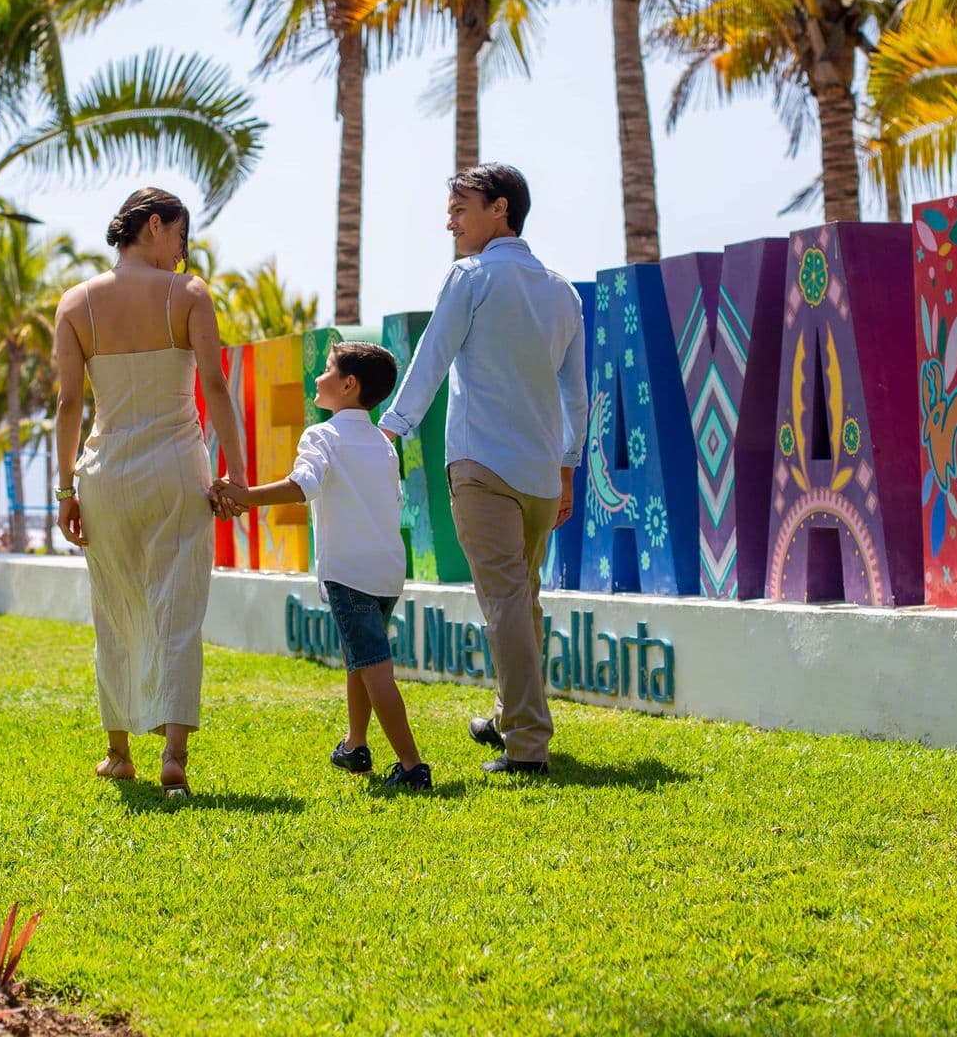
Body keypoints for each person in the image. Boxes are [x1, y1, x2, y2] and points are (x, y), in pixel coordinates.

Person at [377, 163, 587, 776]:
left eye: (460, 207)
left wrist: (391, 429)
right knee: (523, 601)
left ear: (500, 209)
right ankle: (505, 717)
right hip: (543, 474)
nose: (450, 219)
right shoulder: (562, 291)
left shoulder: (469, 277)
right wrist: (569, 468)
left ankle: (526, 744)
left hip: (481, 466)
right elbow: (576, 394)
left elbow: (431, 358)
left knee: (505, 604)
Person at [53, 188, 246, 797]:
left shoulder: (75, 303)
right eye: (181, 241)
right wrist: (235, 474)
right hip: (176, 468)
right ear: (157, 227)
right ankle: (174, 755)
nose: (182, 257)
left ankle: (118, 752)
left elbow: (68, 405)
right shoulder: (187, 296)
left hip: (105, 470)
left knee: (114, 609)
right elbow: (213, 386)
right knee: (178, 608)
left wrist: (63, 489)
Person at [213, 343, 432, 791]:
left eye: (328, 368)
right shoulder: (384, 445)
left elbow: (303, 485)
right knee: (361, 660)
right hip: (386, 572)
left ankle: (412, 767)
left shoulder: (322, 436)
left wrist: (244, 495)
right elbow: (392, 503)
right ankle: (355, 746)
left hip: (348, 572)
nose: (318, 376)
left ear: (348, 385)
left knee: (375, 668)